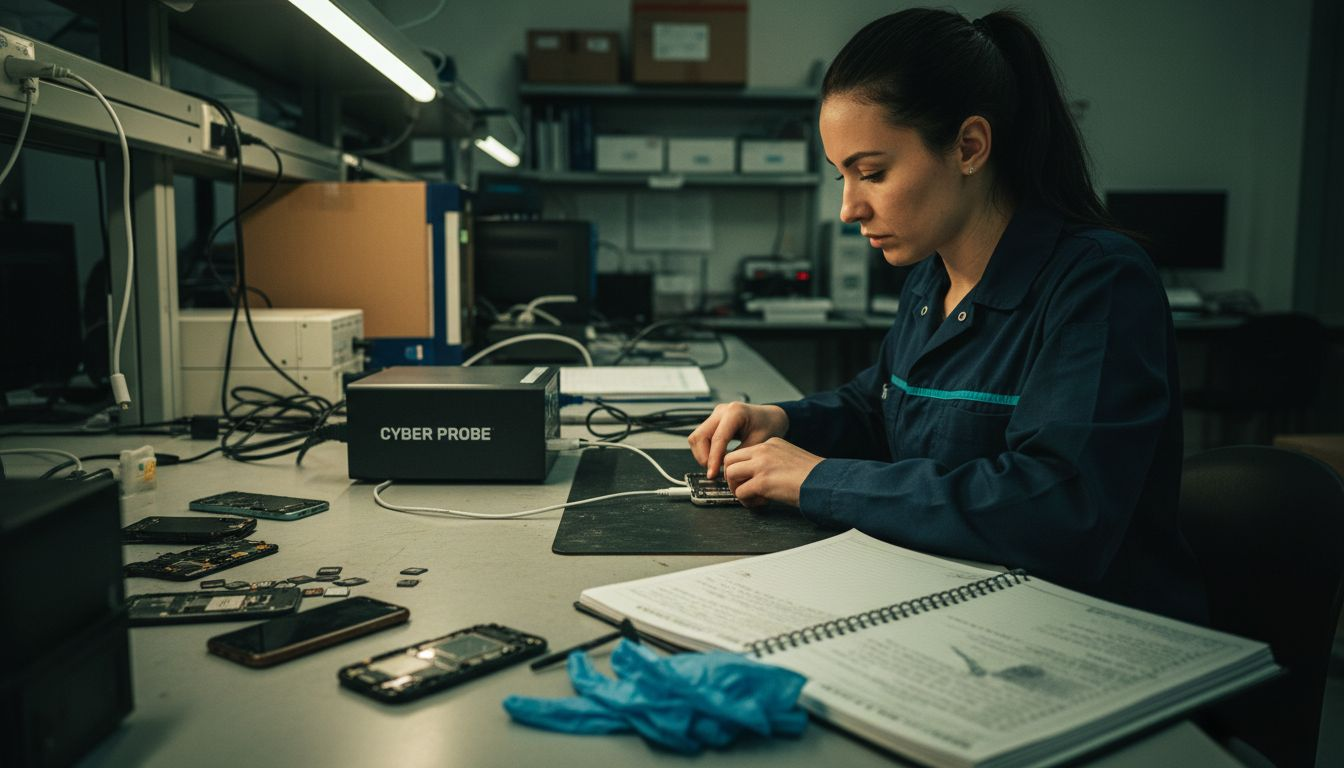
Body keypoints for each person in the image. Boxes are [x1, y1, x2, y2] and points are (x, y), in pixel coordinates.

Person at [688, 8, 1205, 623]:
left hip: (1086, 626)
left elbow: (1060, 509)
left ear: (969, 147)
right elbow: (880, 410)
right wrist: (780, 420)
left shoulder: (1098, 282)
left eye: (872, 172)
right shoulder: (931, 275)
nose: (849, 207)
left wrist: (816, 479)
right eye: (841, 176)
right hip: (956, 603)